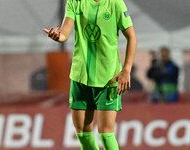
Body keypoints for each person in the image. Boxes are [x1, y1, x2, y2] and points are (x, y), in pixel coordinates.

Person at [43, 0, 137, 149]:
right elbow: (64, 32)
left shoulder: (115, 4)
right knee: (82, 133)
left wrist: (126, 70)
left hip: (108, 78)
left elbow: (131, 37)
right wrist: (58, 36)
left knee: (106, 134)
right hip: (80, 76)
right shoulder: (75, 2)